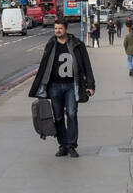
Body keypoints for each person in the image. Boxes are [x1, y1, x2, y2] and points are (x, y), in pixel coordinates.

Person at [30, 20, 96, 157]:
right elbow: (43, 67)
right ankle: (63, 145)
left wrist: (90, 85)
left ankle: (72, 145)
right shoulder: (51, 44)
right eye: (55, 28)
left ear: (66, 29)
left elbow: (86, 65)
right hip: (54, 86)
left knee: (71, 114)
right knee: (58, 117)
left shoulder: (77, 44)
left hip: (72, 86)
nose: (57, 31)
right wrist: (40, 87)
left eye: (60, 28)